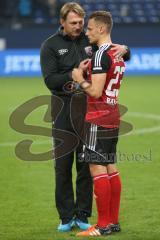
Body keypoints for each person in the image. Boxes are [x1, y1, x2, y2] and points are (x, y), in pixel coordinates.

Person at [40, 2, 130, 233]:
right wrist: (75, 73)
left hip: (89, 108)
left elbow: (113, 53)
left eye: (82, 23)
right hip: (63, 108)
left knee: (87, 164)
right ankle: (65, 216)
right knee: (63, 166)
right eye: (74, 23)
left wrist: (126, 49)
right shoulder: (50, 46)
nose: (80, 28)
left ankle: (83, 214)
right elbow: (50, 80)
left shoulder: (89, 41)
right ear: (62, 22)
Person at [72, 10, 126, 236]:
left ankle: (102, 225)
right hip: (113, 115)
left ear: (102, 29)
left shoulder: (100, 55)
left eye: (90, 28)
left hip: (98, 118)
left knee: (96, 168)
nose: (87, 32)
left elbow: (94, 91)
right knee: (111, 167)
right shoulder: (117, 53)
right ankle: (112, 222)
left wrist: (79, 79)